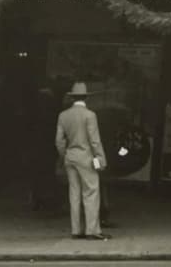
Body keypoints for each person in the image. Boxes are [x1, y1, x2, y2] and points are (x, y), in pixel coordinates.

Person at [55, 82, 108, 240]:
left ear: (72, 97)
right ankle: (91, 231)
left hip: (70, 157)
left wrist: (64, 155)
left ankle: (76, 230)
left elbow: (59, 141)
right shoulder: (90, 115)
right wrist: (101, 160)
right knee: (91, 191)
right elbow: (94, 141)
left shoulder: (63, 115)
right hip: (86, 158)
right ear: (86, 97)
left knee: (74, 194)